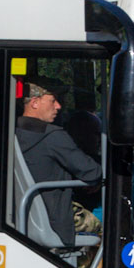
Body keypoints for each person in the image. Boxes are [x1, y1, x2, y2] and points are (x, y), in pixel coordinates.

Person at [16, 79, 102, 247]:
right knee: (111, 224)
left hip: (23, 216)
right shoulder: (53, 136)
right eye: (53, 100)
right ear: (34, 102)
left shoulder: (13, 131)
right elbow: (93, 172)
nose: (59, 107)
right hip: (57, 220)